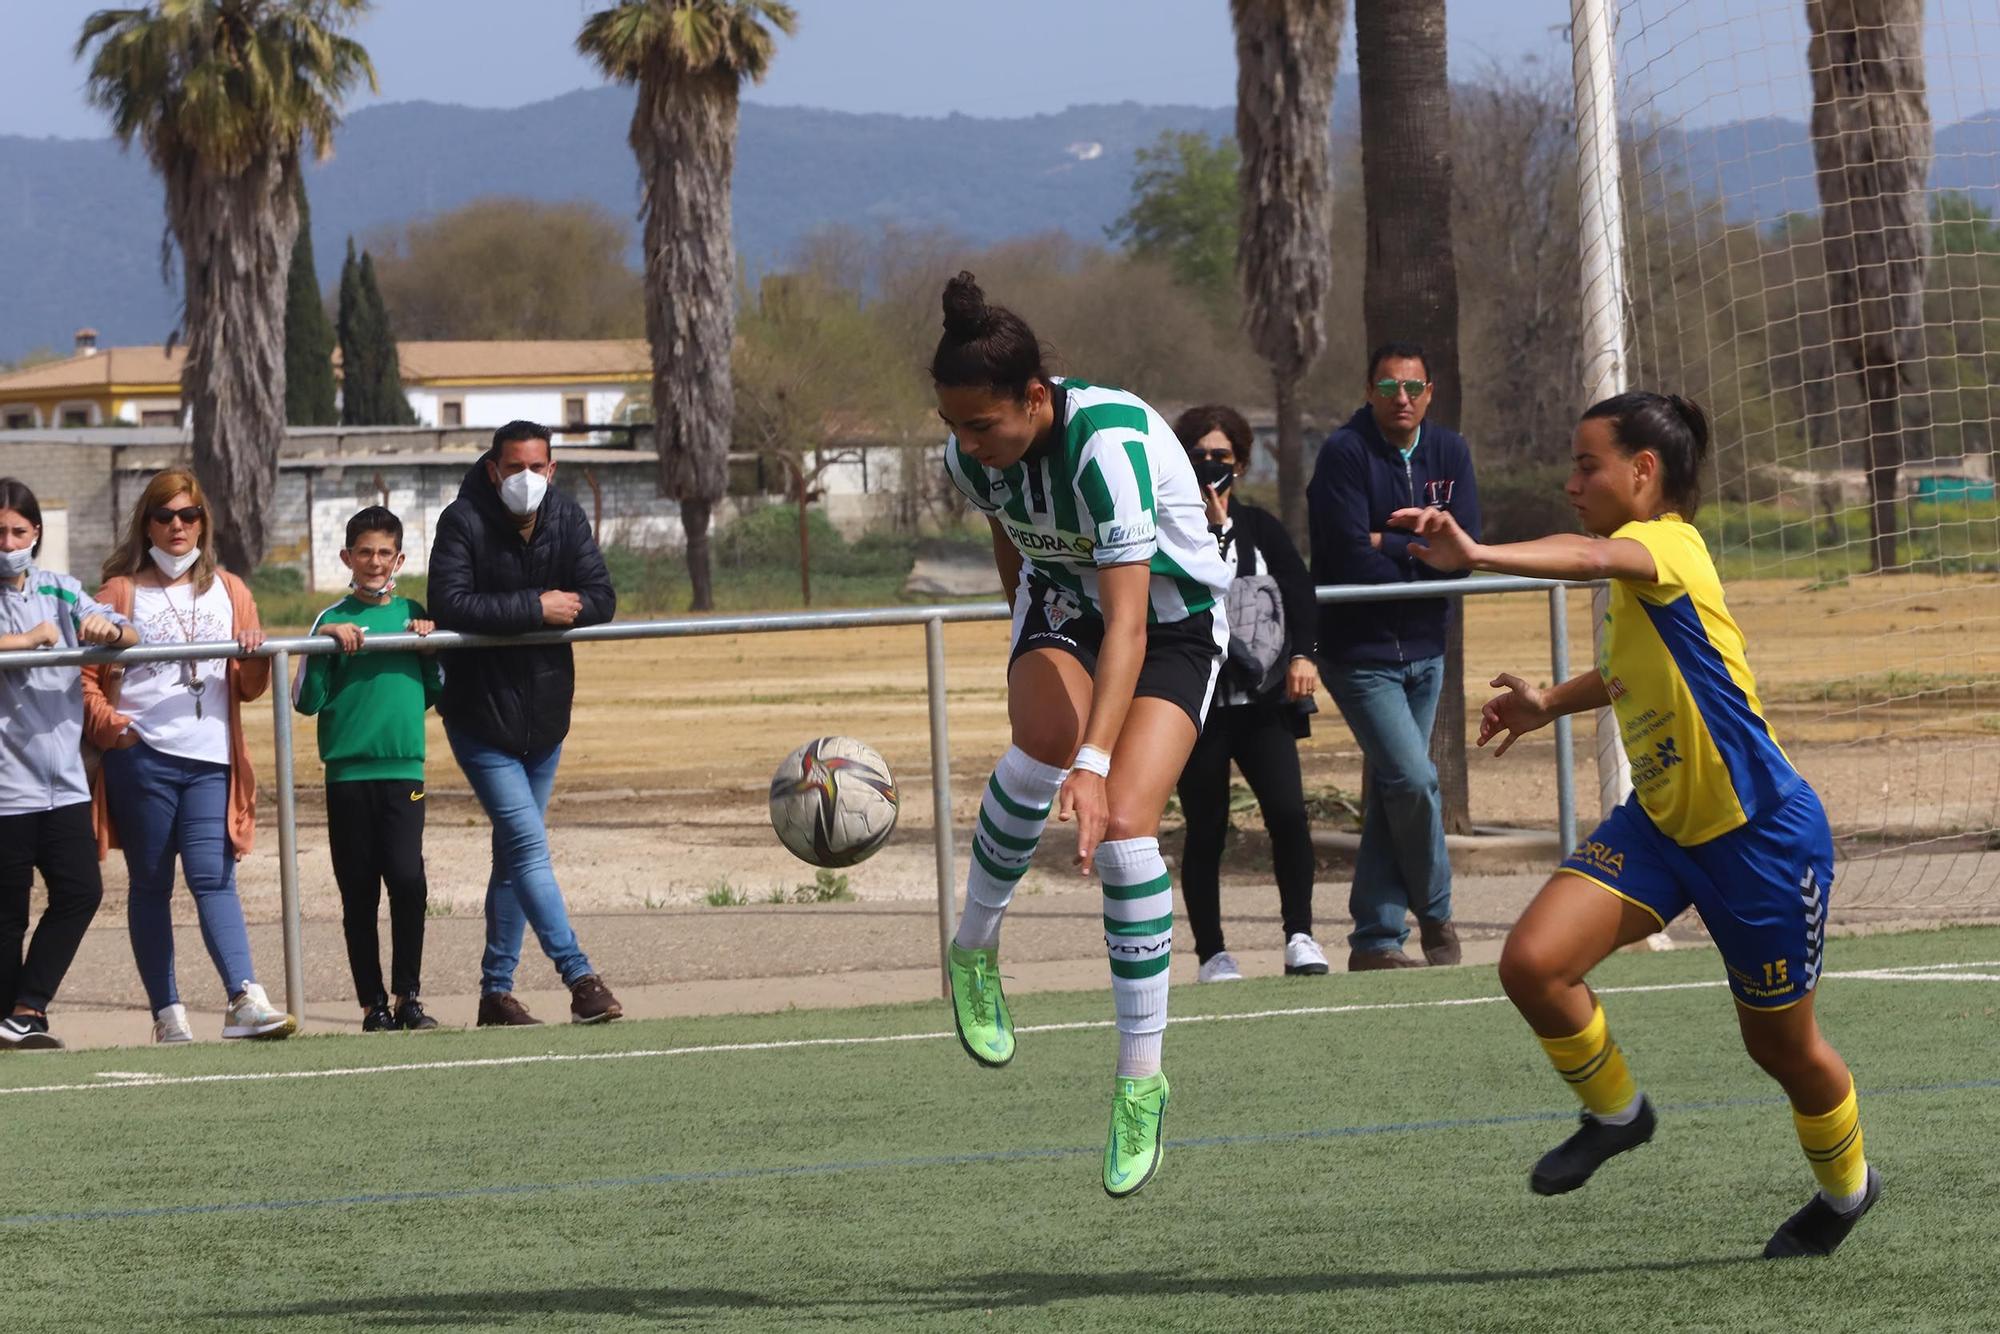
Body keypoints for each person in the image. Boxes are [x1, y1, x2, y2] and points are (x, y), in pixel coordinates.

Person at [1391, 391, 1878, 1258]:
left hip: (1759, 838)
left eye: (1588, 465)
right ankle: (1618, 1114)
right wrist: (1547, 701)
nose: (1573, 482)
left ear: (1643, 472)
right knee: (1533, 964)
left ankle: (1847, 1194)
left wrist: (1473, 551)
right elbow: (1624, 673)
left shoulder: (1666, 544)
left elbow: (1582, 554)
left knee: (1784, 1050)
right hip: (1660, 828)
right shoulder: (1637, 583)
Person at [934, 272, 1232, 1198]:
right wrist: (1022, 628)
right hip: (1066, 605)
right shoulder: (968, 456)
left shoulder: (1107, 445)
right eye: (955, 427)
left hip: (1170, 625)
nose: (967, 446)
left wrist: (1098, 765)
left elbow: (1135, 627)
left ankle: (1139, 1084)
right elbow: (1008, 535)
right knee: (1034, 754)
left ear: (1035, 397)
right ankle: (973, 950)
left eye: (982, 426)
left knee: (1130, 837)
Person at [81, 469, 296, 1043]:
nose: (178, 526)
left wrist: (253, 655)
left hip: (211, 762)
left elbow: (248, 687)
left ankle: (244, 999)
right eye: (165, 515)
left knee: (213, 877)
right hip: (141, 758)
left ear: (204, 521)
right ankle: (167, 1013)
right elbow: (84, 677)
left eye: (189, 515)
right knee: (150, 883)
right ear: (146, 522)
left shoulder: (231, 589)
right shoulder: (120, 590)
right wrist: (110, 725)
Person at [428, 420, 623, 1027]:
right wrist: (535, 607)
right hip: (481, 717)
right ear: (493, 469)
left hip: (545, 718)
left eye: (538, 467)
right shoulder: (462, 521)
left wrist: (565, 606)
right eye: (515, 468)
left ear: (553, 469)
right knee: (529, 847)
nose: (527, 479)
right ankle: (581, 977)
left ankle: (495, 994)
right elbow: (450, 604)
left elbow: (601, 596)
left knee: (513, 855)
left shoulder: (566, 516)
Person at [1306, 341, 1481, 971]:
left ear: (1429, 393)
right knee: (1413, 778)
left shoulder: (1450, 452)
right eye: (1387, 388)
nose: (1400, 399)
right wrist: (1418, 544)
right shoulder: (1343, 454)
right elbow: (1349, 555)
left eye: (1412, 387)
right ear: (1368, 391)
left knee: (1395, 789)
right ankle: (1436, 916)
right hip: (1359, 652)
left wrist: (1391, 539)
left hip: (1427, 649)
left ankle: (1376, 940)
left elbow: (1466, 551)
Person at [1168, 405, 1327, 982]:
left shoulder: (1261, 529)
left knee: (1287, 813)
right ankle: (1213, 954)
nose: (1211, 468)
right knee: (1206, 826)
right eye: (1199, 457)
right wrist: (1208, 526)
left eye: (1223, 458)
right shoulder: (1169, 529)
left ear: (1240, 463)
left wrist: (1305, 655)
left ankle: (1301, 937)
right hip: (1200, 707)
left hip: (1263, 704)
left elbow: (1300, 591)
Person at [294, 506, 444, 1033]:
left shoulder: (414, 611)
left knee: (408, 880)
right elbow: (305, 700)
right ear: (347, 558)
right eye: (365, 552)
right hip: (347, 777)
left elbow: (435, 688)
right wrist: (329, 645)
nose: (375, 562)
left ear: (399, 557)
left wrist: (427, 640)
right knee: (358, 890)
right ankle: (372, 1003)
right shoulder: (328, 619)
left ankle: (409, 996)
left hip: (403, 771)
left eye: (384, 553)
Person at [0, 478, 137, 1050]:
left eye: (16, 531)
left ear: (36, 534)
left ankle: (26, 1007)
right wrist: (31, 636)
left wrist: (109, 628)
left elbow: (129, 631)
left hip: (64, 787)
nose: (7, 542)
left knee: (80, 891)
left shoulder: (62, 588)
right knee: (7, 917)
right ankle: (13, 1019)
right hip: (6, 788)